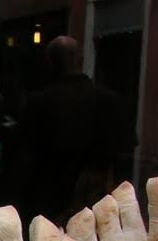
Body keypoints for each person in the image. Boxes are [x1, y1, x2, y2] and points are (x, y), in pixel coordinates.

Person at [16, 36, 136, 227]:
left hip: (48, 203)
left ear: (51, 64)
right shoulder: (110, 102)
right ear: (80, 60)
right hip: (96, 204)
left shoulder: (39, 104)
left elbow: (24, 160)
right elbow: (124, 156)